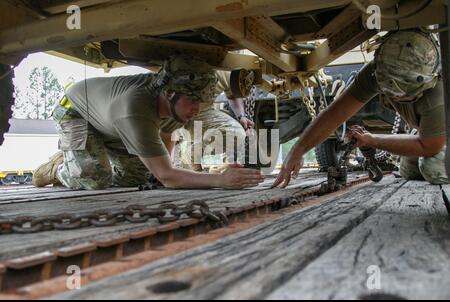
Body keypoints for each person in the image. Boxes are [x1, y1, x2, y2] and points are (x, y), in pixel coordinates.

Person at [32, 55, 265, 190]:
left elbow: (166, 141)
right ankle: (59, 168)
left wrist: (166, 170)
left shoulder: (176, 108)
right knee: (95, 178)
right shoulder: (135, 109)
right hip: (77, 113)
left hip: (113, 125)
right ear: (170, 94)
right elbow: (167, 176)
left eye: (201, 103)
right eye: (193, 100)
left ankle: (83, 156)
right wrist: (220, 180)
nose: (197, 109)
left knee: (137, 178)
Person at [273, 29, 449, 188]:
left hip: (436, 141)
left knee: (431, 167)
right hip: (435, 138)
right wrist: (298, 149)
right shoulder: (383, 69)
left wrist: (372, 140)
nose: (395, 98)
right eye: (390, 92)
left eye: (402, 94)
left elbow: (428, 146)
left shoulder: (439, 96)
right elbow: (336, 114)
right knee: (409, 167)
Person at [160, 70, 254, 172]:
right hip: (174, 111)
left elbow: (233, 94)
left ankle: (191, 155)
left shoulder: (224, 72)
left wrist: (241, 116)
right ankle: (185, 162)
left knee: (236, 134)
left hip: (203, 112)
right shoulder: (179, 66)